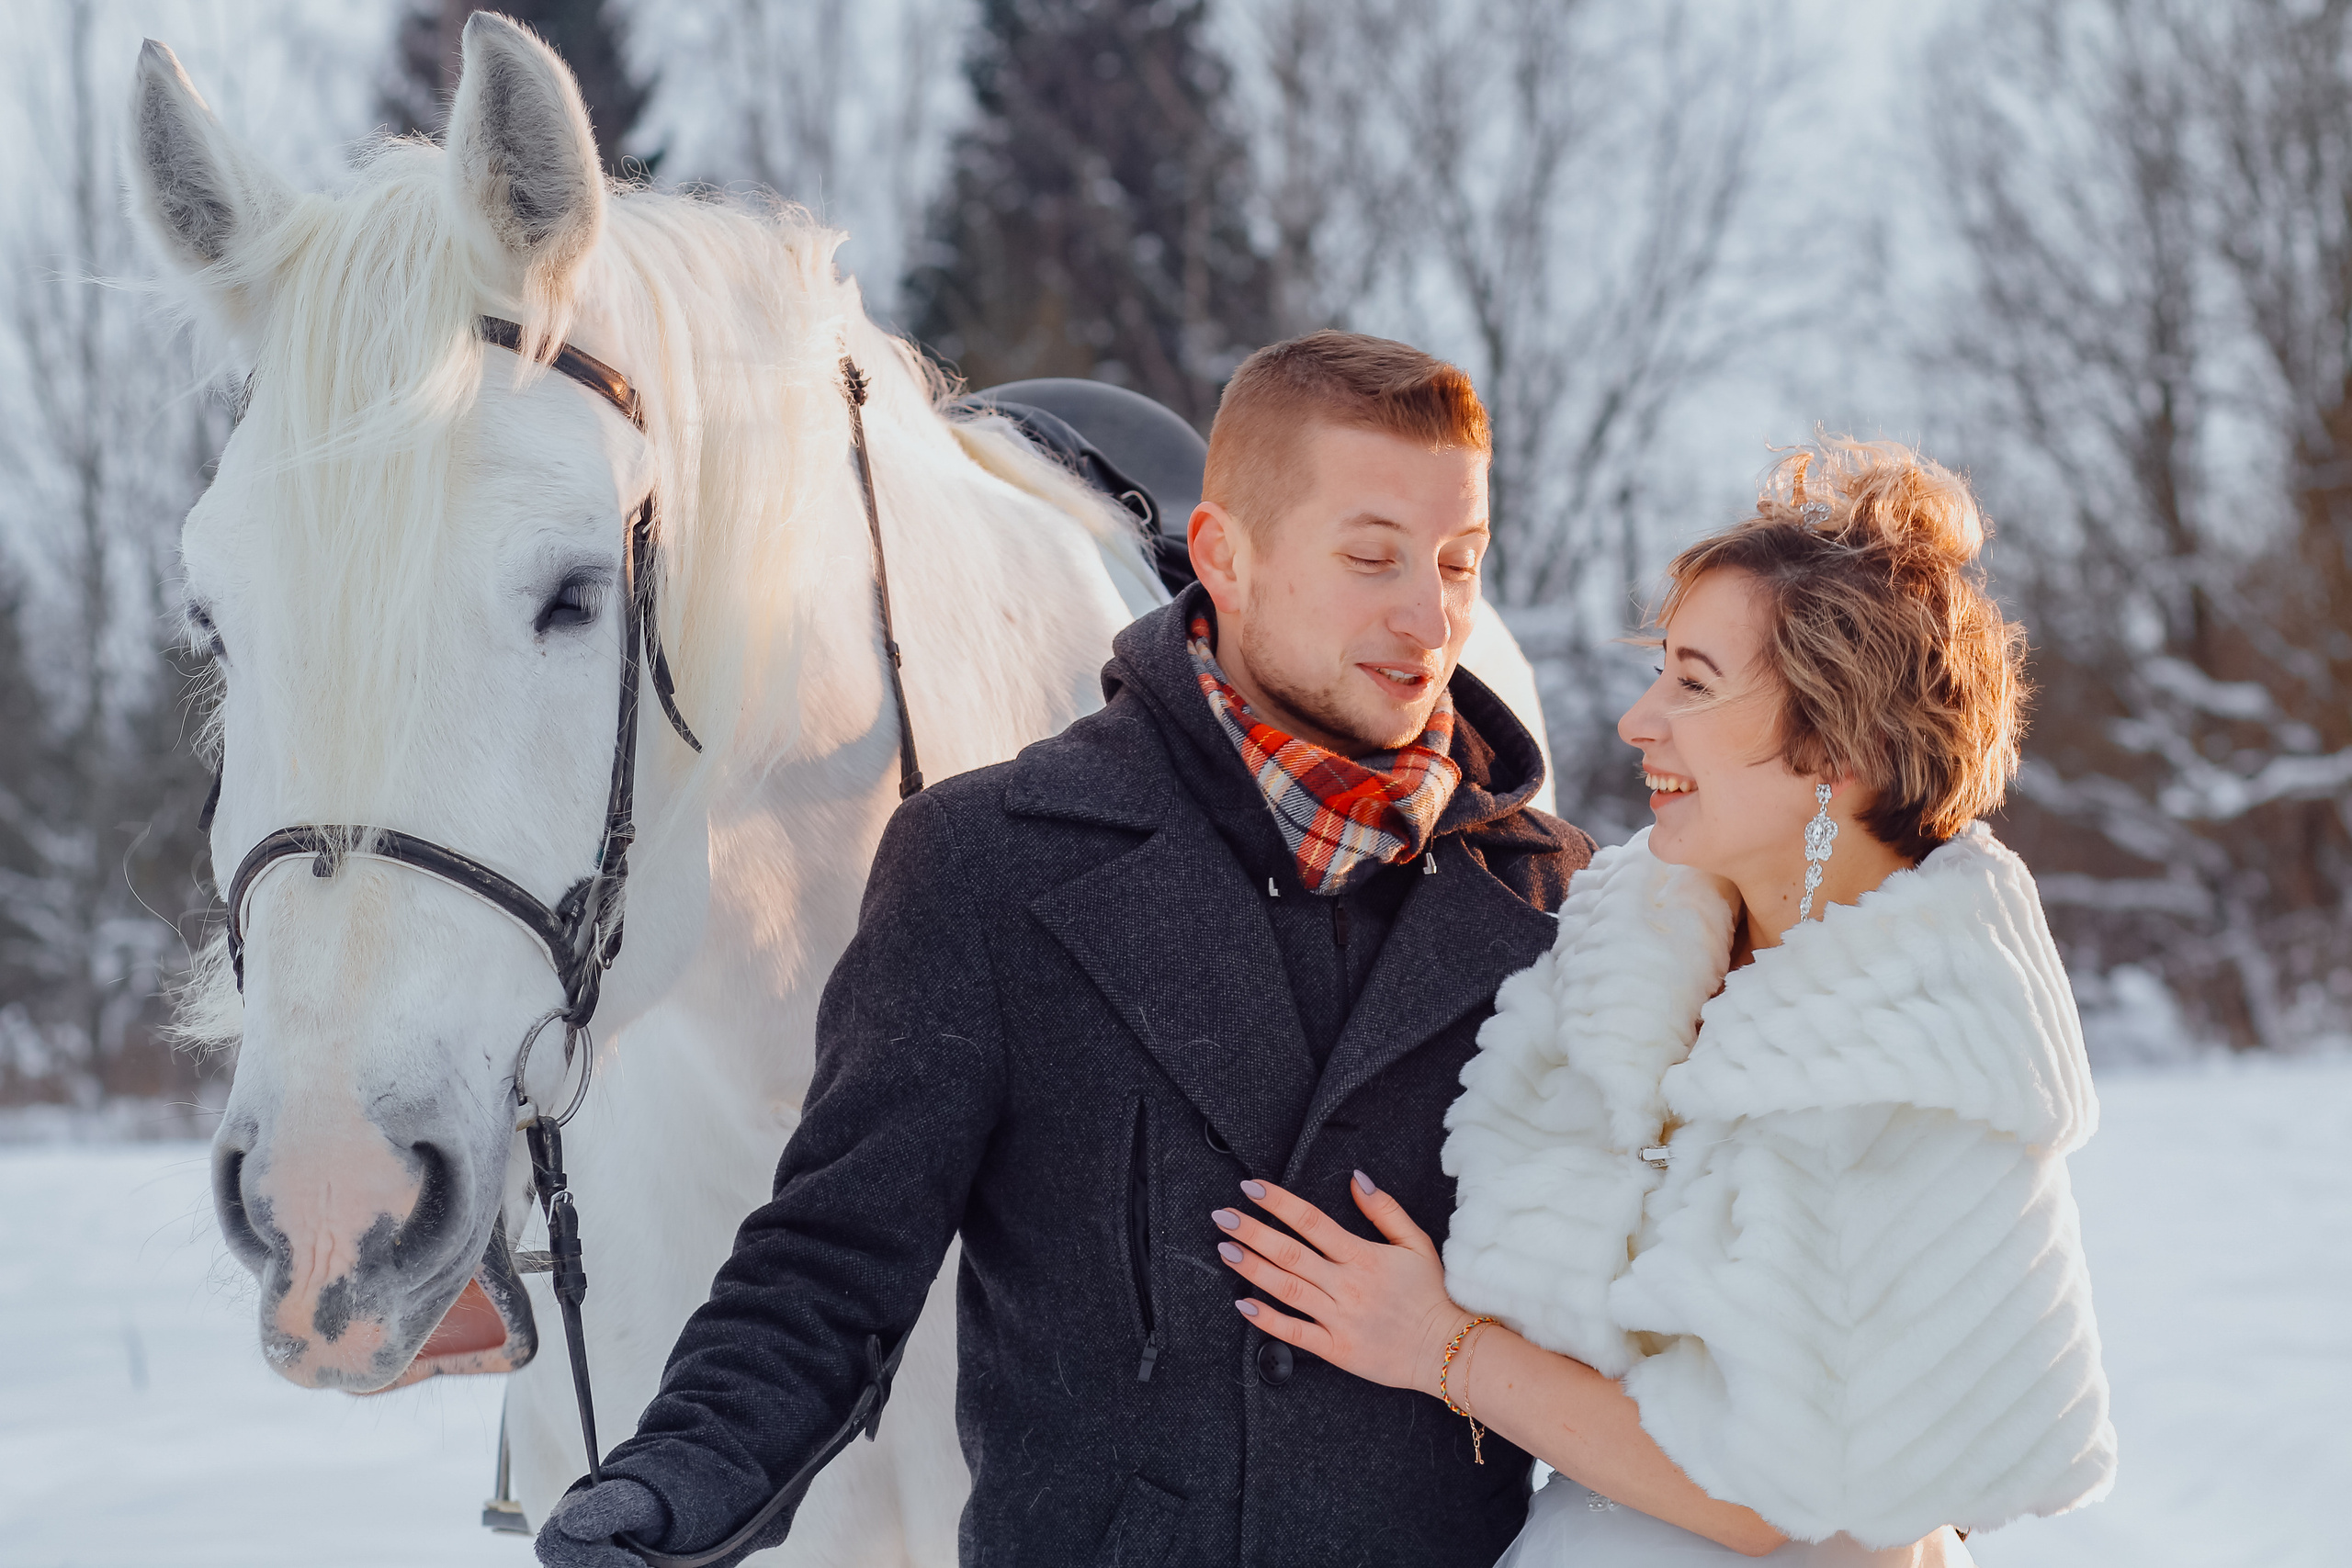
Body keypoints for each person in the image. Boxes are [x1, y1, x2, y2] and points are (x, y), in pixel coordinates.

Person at [535, 331, 1595, 1567]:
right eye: (1371, 558)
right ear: (1225, 558)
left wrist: (1459, 1350)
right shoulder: (991, 865)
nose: (1430, 615)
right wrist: (679, 1478)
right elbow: (834, 1261)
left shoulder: (1546, 899)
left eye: (1460, 562)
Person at [1210, 439, 2117, 1564]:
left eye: (1693, 682)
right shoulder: (1634, 939)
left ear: (1837, 747)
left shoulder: (1914, 1066)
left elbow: (1768, 1494)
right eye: (1659, 670)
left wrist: (1440, 1348)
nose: (1640, 720)